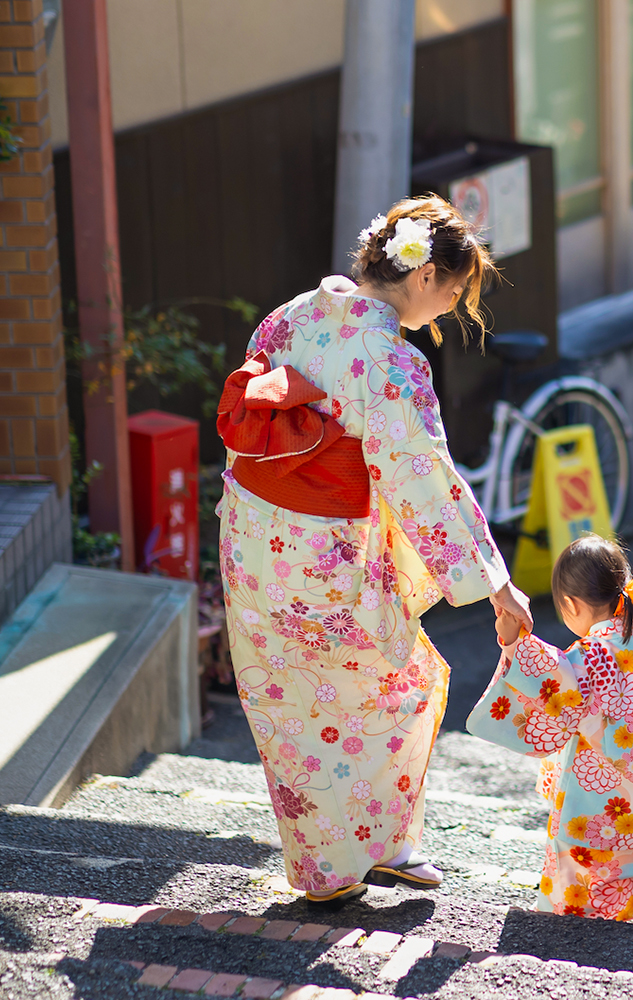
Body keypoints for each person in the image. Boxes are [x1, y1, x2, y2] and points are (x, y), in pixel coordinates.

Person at [216, 194, 533, 907]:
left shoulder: (292, 314)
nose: (450, 306)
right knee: (400, 685)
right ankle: (378, 847)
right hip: (320, 559)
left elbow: (257, 411)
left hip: (251, 536)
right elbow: (426, 478)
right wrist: (496, 584)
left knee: (289, 704)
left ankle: (332, 867)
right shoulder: (388, 362)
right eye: (453, 291)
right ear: (423, 277)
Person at [466, 535, 633, 929]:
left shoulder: (590, 658)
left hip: (600, 805)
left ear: (571, 605)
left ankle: (568, 932)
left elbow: (550, 682)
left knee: (580, 864)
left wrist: (514, 640)